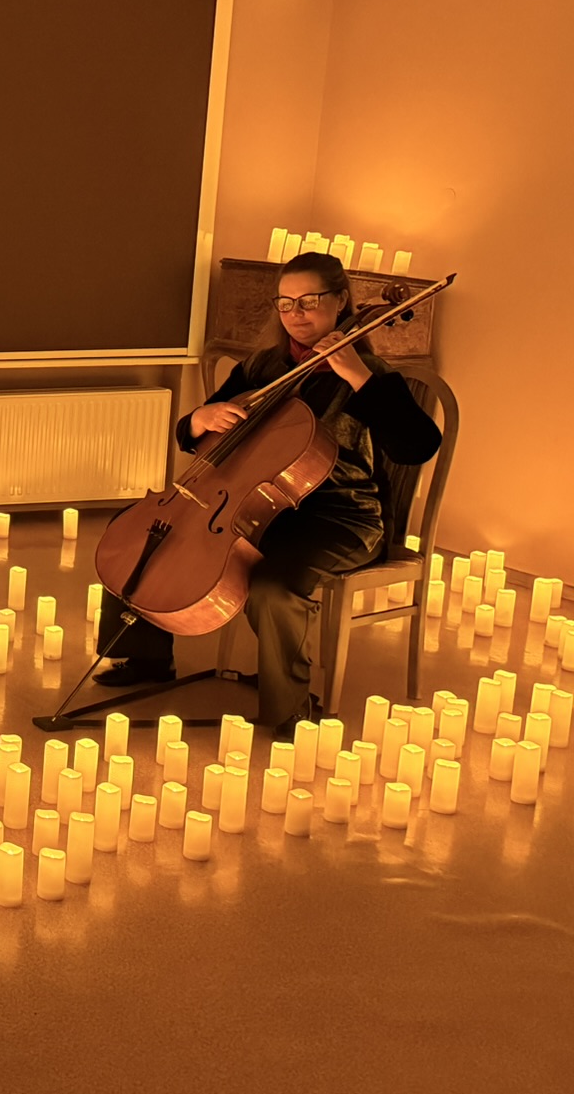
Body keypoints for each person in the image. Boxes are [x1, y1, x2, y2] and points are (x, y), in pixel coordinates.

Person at [95, 251, 443, 735]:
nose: (296, 314)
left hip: (339, 518)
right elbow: (197, 435)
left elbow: (418, 445)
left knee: (273, 586)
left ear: (341, 301)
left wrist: (357, 376)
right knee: (142, 531)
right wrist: (199, 419)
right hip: (256, 507)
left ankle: (288, 708)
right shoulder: (263, 367)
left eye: (309, 301)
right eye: (285, 303)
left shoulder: (371, 375)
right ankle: (147, 656)